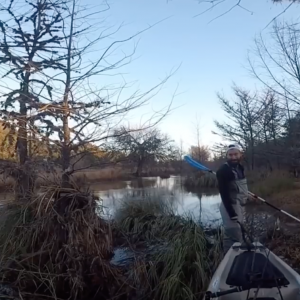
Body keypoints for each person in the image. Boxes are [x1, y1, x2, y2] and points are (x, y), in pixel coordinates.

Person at [216, 143, 249, 254]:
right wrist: (232, 213)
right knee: (233, 235)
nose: (233, 157)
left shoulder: (240, 167)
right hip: (230, 206)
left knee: (239, 233)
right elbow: (224, 194)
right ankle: (228, 259)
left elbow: (239, 187)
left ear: (240, 154)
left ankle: (238, 254)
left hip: (240, 205)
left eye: (235, 154)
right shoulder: (223, 171)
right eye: (230, 155)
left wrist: (247, 194)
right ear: (227, 156)